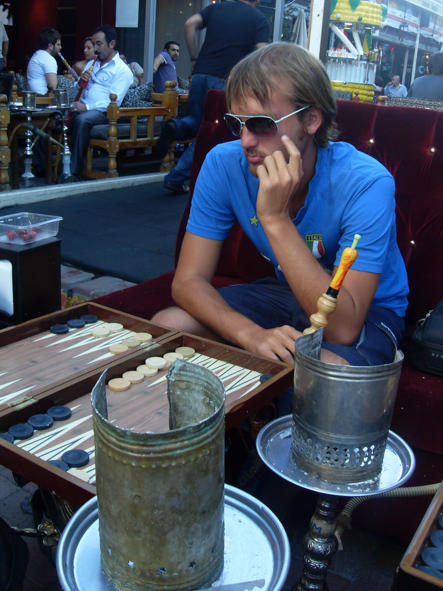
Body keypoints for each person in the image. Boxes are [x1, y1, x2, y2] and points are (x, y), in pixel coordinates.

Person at [153, 43, 409, 368]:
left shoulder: (367, 183)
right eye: (237, 123)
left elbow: (343, 328)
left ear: (311, 119)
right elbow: (187, 281)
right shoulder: (224, 164)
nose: (245, 140)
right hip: (283, 290)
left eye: (261, 123)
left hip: (366, 308)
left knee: (325, 375)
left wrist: (275, 219)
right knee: (169, 326)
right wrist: (249, 334)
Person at [156, 0, 270, 195]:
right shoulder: (259, 19)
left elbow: (190, 24)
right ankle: (179, 176)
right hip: (226, 80)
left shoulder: (218, 7)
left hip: (200, 74)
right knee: (215, 131)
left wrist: (194, 58)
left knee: (197, 120)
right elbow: (262, 54)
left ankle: (175, 127)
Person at [69, 24, 132, 179]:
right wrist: (79, 84)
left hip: (104, 113)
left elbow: (113, 103)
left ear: (111, 44)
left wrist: (86, 107)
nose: (95, 48)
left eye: (99, 44)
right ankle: (42, 165)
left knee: (82, 120)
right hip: (81, 106)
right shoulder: (92, 63)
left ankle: (73, 171)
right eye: (94, 44)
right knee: (51, 115)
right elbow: (77, 91)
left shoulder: (122, 70)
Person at [27, 27, 61, 94]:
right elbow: (53, 87)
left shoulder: (37, 55)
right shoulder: (48, 59)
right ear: (50, 46)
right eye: (58, 45)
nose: (60, 47)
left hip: (34, 98)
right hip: (43, 100)